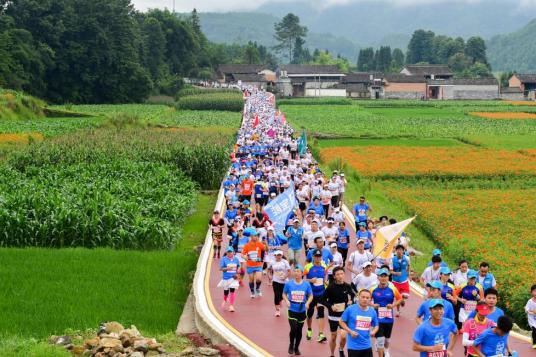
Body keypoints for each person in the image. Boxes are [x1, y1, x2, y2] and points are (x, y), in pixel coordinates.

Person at [369, 268, 402, 357]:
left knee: (387, 340)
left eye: (385, 276)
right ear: (378, 278)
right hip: (377, 318)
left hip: (389, 318)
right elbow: (366, 299)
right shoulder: (373, 289)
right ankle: (381, 352)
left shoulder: (392, 288)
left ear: (388, 278)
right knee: (380, 340)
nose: (383, 278)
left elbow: (400, 299)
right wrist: (373, 305)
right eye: (381, 276)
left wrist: (393, 305)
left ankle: (386, 350)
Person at [323, 267, 355, 357]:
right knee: (333, 336)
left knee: (343, 336)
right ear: (334, 276)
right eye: (338, 274)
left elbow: (354, 297)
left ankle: (341, 349)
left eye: (342, 274)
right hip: (333, 316)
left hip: (344, 316)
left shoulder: (348, 286)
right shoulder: (330, 287)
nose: (340, 276)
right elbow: (322, 300)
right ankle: (332, 354)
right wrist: (331, 306)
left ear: (344, 274)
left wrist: (352, 301)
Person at [283, 265, 313, 355]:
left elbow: (311, 295)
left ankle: (296, 348)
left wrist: (307, 303)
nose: (296, 273)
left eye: (298, 271)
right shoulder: (289, 284)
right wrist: (287, 300)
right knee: (294, 329)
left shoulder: (306, 284)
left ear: (302, 273)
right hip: (292, 309)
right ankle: (291, 344)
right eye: (295, 271)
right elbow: (284, 294)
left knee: (299, 330)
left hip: (302, 309)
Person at [339, 289, 379, 357]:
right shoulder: (350, 309)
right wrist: (350, 331)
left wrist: (374, 332)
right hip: (353, 346)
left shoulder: (372, 312)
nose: (365, 299)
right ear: (358, 297)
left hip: (367, 345)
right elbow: (341, 321)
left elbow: (376, 325)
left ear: (370, 299)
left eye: (367, 298)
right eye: (363, 297)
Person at [304, 249, 329, 343]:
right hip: (311, 295)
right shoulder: (308, 266)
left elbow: (325, 275)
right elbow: (302, 280)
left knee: (321, 313)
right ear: (313, 257)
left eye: (319, 256)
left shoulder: (324, 265)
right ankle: (309, 329)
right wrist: (310, 280)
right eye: (316, 256)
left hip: (321, 294)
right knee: (310, 314)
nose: (318, 258)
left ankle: (321, 334)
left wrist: (326, 281)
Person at [241, 229, 266, 298]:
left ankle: (257, 289)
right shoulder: (247, 245)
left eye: (256, 236)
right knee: (251, 279)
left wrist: (262, 260)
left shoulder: (259, 244)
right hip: (250, 265)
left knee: (258, 279)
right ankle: (252, 292)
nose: (256, 237)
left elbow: (264, 251)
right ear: (251, 237)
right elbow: (242, 254)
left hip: (258, 265)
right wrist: (244, 257)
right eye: (254, 236)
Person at [269, 250, 291, 317]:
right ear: (274, 256)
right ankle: (277, 310)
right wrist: (269, 275)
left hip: (284, 281)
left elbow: (289, 271)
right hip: (275, 280)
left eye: (280, 255)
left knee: (283, 295)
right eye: (277, 255)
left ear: (281, 255)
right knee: (276, 294)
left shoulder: (285, 262)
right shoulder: (272, 262)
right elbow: (269, 269)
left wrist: (285, 277)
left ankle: (280, 300)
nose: (278, 256)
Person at [218, 247, 240, 312]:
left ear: (233, 252)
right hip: (226, 278)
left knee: (232, 290)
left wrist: (238, 271)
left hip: (233, 278)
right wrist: (227, 269)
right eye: (228, 252)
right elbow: (220, 269)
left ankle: (231, 306)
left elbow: (238, 267)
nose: (230, 253)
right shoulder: (223, 259)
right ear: (226, 253)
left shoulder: (236, 259)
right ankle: (225, 300)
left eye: (231, 252)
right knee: (226, 292)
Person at [391, 244, 411, 317]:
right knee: (398, 298)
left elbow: (409, 266)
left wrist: (409, 274)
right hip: (395, 281)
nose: (399, 251)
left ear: (403, 251)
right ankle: (398, 311)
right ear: (396, 251)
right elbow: (390, 271)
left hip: (404, 280)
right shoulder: (392, 260)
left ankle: (403, 300)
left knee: (405, 296)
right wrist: (395, 273)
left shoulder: (407, 258)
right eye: (398, 250)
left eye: (401, 250)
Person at [524, 284, 536, 349]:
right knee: (535, 330)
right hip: (532, 319)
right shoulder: (530, 301)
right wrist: (531, 311)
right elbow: (526, 309)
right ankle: (534, 343)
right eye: (534, 291)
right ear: (531, 292)